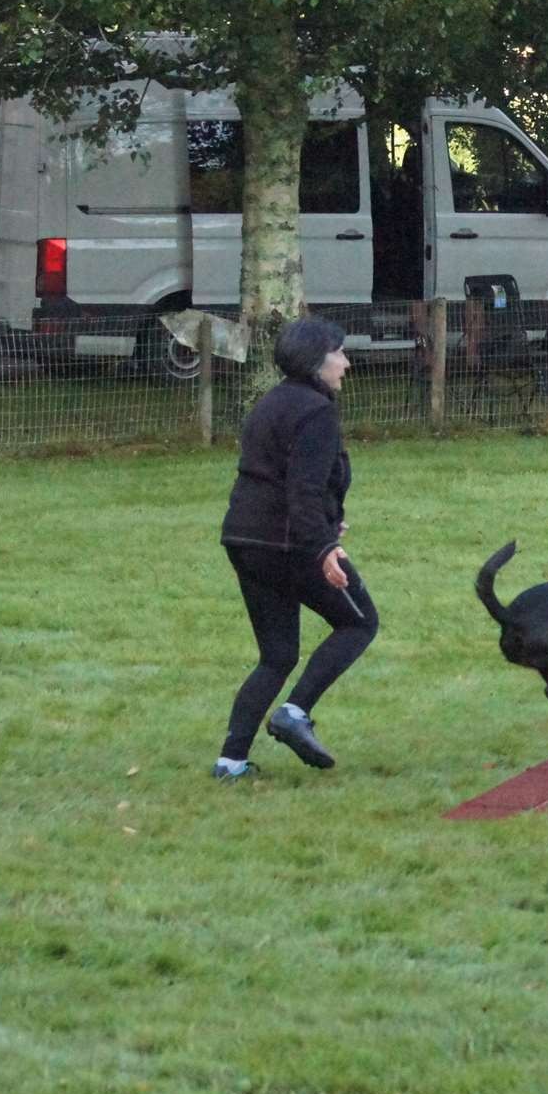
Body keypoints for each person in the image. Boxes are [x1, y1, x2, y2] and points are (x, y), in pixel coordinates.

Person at [213, 316, 379, 780]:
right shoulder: (316, 412)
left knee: (278, 654)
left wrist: (328, 517)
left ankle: (230, 762)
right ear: (315, 361)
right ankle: (295, 713)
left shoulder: (270, 403)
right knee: (360, 621)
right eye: (339, 353)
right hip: (287, 542)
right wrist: (324, 547)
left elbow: (275, 477)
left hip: (244, 538)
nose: (346, 363)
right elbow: (300, 491)